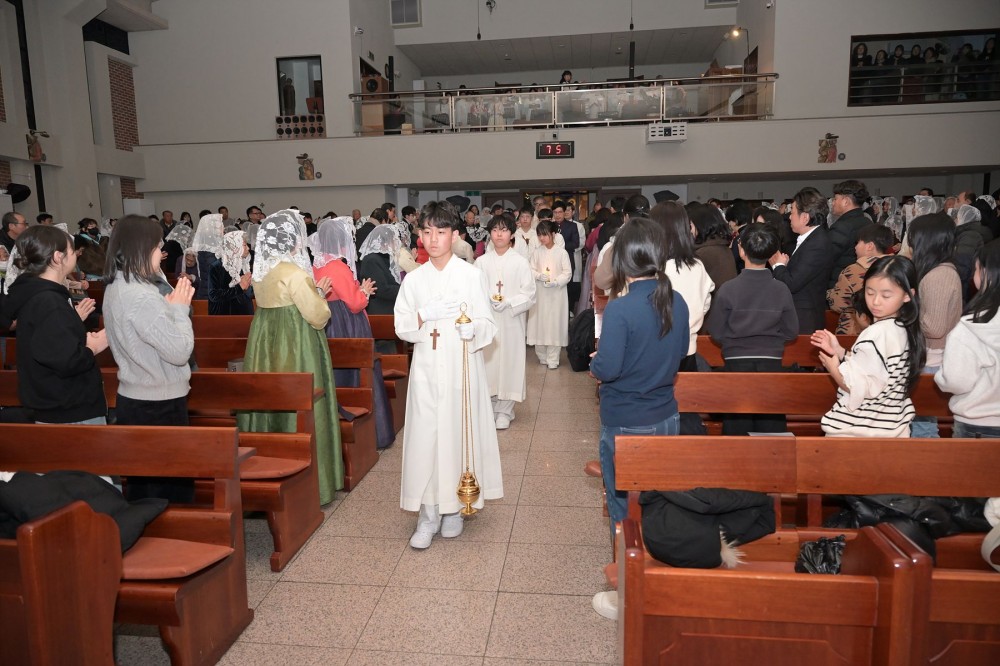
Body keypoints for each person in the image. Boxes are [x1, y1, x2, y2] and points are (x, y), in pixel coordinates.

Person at [590, 217, 689, 620]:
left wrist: (596, 362)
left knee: (624, 508)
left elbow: (609, 368)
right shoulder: (676, 301)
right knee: (659, 502)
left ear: (623, 260)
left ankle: (629, 594)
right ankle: (658, 578)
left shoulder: (621, 308)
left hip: (627, 421)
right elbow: (679, 353)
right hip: (666, 415)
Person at [394, 201, 503, 549]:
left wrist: (475, 330)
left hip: (461, 369)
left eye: (441, 232)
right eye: (427, 232)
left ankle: (454, 509)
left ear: (454, 235)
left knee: (458, 436)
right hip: (426, 371)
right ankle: (428, 516)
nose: (433, 239)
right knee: (426, 440)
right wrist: (423, 315)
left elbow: (488, 323)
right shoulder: (414, 279)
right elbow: (402, 326)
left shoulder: (470, 275)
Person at [236, 209, 344, 504]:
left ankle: (268, 458)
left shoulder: (262, 273)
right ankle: (314, 481)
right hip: (297, 345)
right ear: (293, 241)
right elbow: (317, 315)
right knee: (303, 399)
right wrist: (320, 294)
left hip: (265, 345)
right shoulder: (294, 274)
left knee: (270, 398)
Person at [103, 215, 196, 502]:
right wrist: (179, 310)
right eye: (157, 246)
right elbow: (180, 352)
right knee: (167, 491)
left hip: (135, 396)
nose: (161, 252)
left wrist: (167, 311)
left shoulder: (117, 286)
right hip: (159, 403)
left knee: (146, 486)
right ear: (142, 249)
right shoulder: (142, 296)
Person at [1, 225, 107, 424]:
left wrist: (74, 325)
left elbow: (48, 342)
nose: (75, 255)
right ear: (58, 257)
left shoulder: (35, 293)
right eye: (72, 250)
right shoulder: (49, 301)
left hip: (49, 401)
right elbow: (67, 361)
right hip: (68, 408)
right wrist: (93, 346)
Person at [811, 256, 925, 438]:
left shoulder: (875, 333)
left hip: (858, 431)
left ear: (907, 295)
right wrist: (840, 352)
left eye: (886, 295)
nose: (875, 301)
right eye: (870, 292)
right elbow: (874, 370)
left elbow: (857, 387)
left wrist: (833, 368)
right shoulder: (904, 328)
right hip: (890, 427)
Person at [309, 217, 394, 449]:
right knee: (358, 370)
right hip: (347, 324)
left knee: (336, 373)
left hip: (329, 324)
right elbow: (355, 303)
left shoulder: (316, 265)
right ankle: (374, 433)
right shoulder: (338, 266)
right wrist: (364, 291)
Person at [709, 225, 798, 435]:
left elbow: (716, 331)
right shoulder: (780, 289)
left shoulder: (729, 289)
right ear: (771, 253)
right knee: (771, 421)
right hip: (771, 360)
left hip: (735, 360)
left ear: (741, 251)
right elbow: (791, 331)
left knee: (737, 421)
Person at [475, 214, 536, 430]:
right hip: (488, 320)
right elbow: (474, 291)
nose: (499, 234)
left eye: (503, 230)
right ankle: (489, 406)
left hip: (511, 320)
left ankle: (505, 410)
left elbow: (529, 293)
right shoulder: (481, 262)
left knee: (510, 361)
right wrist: (486, 301)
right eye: (494, 230)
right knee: (488, 362)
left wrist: (509, 302)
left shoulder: (520, 262)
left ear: (511, 234)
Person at [935, 242, 1000, 438]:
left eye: (977, 269)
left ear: (988, 273)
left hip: (977, 424)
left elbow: (956, 381)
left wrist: (941, 376)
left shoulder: (971, 327)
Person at [908, 213, 962, 438]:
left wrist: (906, 311)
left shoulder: (938, 276)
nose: (910, 246)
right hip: (933, 357)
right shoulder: (942, 271)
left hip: (932, 360)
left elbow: (934, 327)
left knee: (923, 425)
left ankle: (927, 459)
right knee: (922, 422)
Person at [769, 187, 835, 334]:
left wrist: (778, 265)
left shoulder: (817, 244)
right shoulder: (812, 239)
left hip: (805, 319)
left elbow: (792, 283)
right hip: (801, 315)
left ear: (805, 217)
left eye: (792, 212)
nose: (789, 217)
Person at [651, 201, 714, 355]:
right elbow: (706, 302)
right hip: (689, 347)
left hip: (659, 350)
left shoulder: (657, 270)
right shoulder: (697, 266)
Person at [827, 225, 894, 335]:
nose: (855, 247)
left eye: (858, 242)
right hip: (889, 330)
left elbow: (838, 304)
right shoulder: (897, 268)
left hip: (855, 332)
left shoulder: (854, 270)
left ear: (869, 246)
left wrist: (830, 294)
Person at [526, 220, 572, 369]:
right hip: (540, 293)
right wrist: (539, 275)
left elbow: (567, 273)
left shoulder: (562, 253)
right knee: (539, 323)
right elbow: (530, 269)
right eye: (539, 235)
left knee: (554, 323)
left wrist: (556, 282)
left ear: (553, 234)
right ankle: (542, 356)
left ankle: (553, 358)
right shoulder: (537, 252)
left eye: (545, 235)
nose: (542, 238)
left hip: (556, 294)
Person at [827, 180, 874, 288]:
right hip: (859, 280)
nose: (833, 203)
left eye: (835, 199)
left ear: (845, 201)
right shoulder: (867, 221)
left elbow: (827, 257)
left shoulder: (842, 226)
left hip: (840, 283)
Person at [357, 224, 402, 317]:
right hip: (381, 311)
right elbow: (381, 289)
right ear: (385, 242)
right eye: (394, 240)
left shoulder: (383, 257)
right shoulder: (371, 260)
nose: (397, 243)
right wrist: (405, 289)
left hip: (389, 307)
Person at [208, 230, 254, 315]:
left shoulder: (242, 264)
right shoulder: (217, 267)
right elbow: (213, 296)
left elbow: (248, 294)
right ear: (234, 247)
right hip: (226, 315)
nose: (248, 248)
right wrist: (239, 288)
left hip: (244, 314)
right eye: (244, 245)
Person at [191, 213, 224, 300]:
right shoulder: (209, 251)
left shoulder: (212, 248)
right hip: (210, 295)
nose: (223, 227)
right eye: (220, 225)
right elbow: (216, 275)